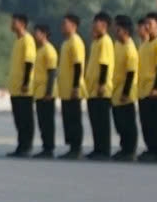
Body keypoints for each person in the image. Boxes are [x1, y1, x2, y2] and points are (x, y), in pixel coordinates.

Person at [136, 12, 157, 163]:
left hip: (154, 91)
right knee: (146, 123)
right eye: (146, 23)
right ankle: (150, 149)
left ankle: (156, 151)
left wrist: (156, 87)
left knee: (154, 123)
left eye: (150, 23)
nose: (147, 26)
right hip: (143, 90)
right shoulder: (145, 44)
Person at [84, 11, 115, 160]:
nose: (93, 25)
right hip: (92, 90)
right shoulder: (96, 42)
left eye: (95, 22)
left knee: (102, 122)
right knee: (95, 121)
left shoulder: (105, 41)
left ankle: (104, 150)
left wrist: (102, 84)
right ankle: (98, 148)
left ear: (103, 24)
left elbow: (104, 65)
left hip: (101, 89)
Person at [56, 13, 86, 159]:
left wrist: (75, 86)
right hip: (65, 89)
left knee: (74, 119)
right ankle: (72, 147)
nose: (62, 26)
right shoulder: (66, 43)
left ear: (73, 25)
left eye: (65, 23)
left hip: (73, 89)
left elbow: (78, 65)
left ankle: (77, 148)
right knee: (68, 119)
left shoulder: (76, 42)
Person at [6, 13, 36, 158]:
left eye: (14, 22)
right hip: (16, 88)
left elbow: (29, 62)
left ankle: (27, 146)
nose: (11, 24)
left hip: (24, 89)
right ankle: (21, 145)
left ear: (22, 24)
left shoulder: (27, 40)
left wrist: (25, 83)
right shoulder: (18, 41)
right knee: (19, 119)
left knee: (25, 119)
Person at [110, 14, 139, 162]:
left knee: (128, 123)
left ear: (125, 30)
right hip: (116, 91)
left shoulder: (130, 48)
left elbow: (131, 73)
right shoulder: (118, 45)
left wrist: (126, 92)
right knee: (120, 123)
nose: (115, 30)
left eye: (117, 28)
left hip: (125, 93)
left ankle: (130, 150)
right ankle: (124, 148)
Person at [31, 23, 59, 159]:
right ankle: (45, 147)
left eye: (37, 33)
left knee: (47, 123)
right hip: (39, 92)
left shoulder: (49, 50)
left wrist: (49, 92)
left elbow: (52, 72)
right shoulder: (40, 50)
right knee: (42, 122)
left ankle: (49, 148)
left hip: (46, 93)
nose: (35, 35)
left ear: (43, 34)